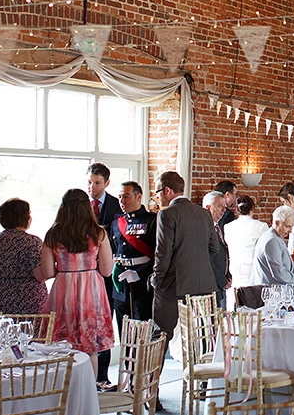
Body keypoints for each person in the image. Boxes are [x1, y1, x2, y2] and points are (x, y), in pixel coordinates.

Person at [34, 189, 115, 371]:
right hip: (91, 290)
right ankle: (89, 394)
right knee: (91, 349)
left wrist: (65, 268)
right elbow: (107, 270)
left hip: (64, 288)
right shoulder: (98, 233)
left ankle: (63, 393)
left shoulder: (53, 234)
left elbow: (47, 271)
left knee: (61, 346)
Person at [151, 171, 220, 340]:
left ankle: (154, 367)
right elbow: (214, 247)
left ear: (167, 191)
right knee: (205, 335)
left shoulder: (166, 214)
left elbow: (163, 252)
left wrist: (156, 278)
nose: (157, 198)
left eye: (158, 193)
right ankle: (205, 367)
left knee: (161, 333)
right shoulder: (204, 213)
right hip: (205, 284)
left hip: (175, 283)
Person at [87, 163, 123, 386]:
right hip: (86, 272)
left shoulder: (115, 205)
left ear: (106, 183)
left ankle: (102, 376)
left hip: (109, 273)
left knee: (104, 324)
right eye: (89, 182)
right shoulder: (81, 205)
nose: (92, 187)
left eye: (97, 183)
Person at [0, 198, 47, 315]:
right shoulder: (32, 241)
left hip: (0, 297)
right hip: (28, 298)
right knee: (29, 332)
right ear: (24, 217)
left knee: (3, 331)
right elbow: (40, 275)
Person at [108, 180, 157, 326]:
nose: (122, 201)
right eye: (120, 197)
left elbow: (159, 256)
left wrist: (140, 273)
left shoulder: (152, 221)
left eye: (126, 196)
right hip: (120, 285)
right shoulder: (116, 223)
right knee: (123, 331)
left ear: (138, 197)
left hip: (141, 285)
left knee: (141, 332)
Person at [223, 194, 269, 297]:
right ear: (253, 208)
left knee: (235, 300)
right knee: (252, 300)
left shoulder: (228, 227)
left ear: (237, 210)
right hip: (253, 269)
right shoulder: (261, 227)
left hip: (234, 268)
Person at [253, 205, 294, 285]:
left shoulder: (274, 237)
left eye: (292, 227)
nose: (290, 231)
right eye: (287, 226)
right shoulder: (272, 241)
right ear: (277, 223)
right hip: (272, 293)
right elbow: (279, 273)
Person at [202, 191, 232, 305]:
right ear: (208, 207)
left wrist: (227, 275)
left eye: (224, 206)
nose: (224, 210)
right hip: (210, 286)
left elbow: (222, 254)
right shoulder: (203, 229)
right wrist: (222, 280)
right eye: (220, 206)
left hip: (219, 285)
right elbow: (207, 259)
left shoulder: (216, 227)